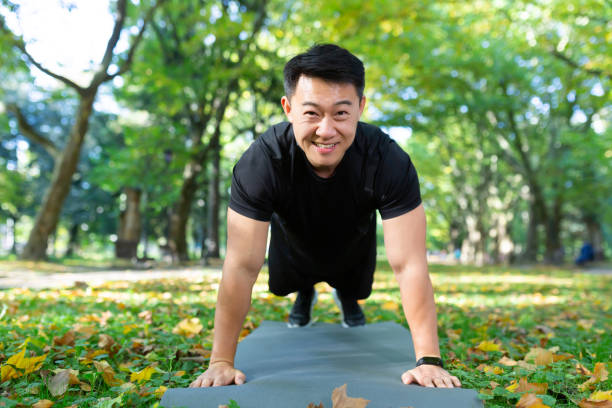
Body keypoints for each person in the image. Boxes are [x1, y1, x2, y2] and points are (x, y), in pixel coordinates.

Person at [190, 44, 461, 389]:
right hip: (292, 242)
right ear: (288, 109)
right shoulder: (262, 162)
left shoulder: (388, 161)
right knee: (292, 280)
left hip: (353, 242)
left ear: (361, 108)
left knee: (353, 286)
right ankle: (306, 290)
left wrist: (429, 361)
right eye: (312, 114)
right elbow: (241, 264)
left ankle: (343, 294)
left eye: (341, 114)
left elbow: (409, 263)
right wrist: (220, 361)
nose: (326, 130)